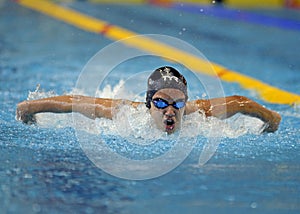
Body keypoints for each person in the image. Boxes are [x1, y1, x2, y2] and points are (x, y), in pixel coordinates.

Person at [16, 66, 281, 134]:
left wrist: (270, 119)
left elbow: (239, 102)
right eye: (161, 102)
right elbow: (76, 101)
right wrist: (31, 107)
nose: (170, 110)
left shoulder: (196, 114)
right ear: (147, 103)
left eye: (177, 103)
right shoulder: (126, 113)